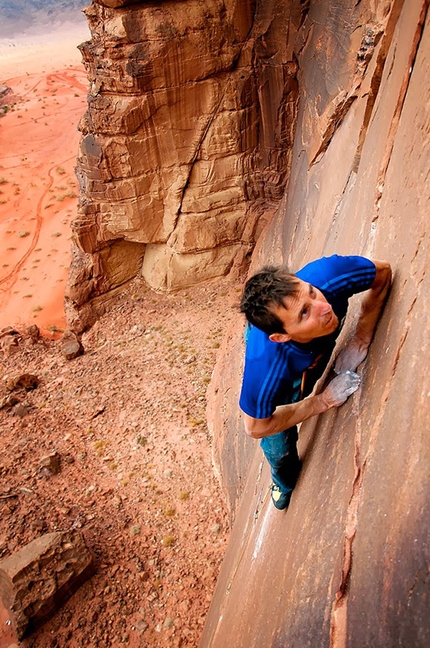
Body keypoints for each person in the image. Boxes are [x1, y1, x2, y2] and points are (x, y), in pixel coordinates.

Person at [239, 254, 392, 510]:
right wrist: (321, 402)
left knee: (315, 347)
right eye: (304, 312)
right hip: (285, 360)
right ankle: (282, 482)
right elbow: (255, 427)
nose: (324, 307)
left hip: (304, 344)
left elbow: (383, 272)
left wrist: (361, 338)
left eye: (311, 292)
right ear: (280, 337)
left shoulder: (328, 277)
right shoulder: (267, 368)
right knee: (278, 449)